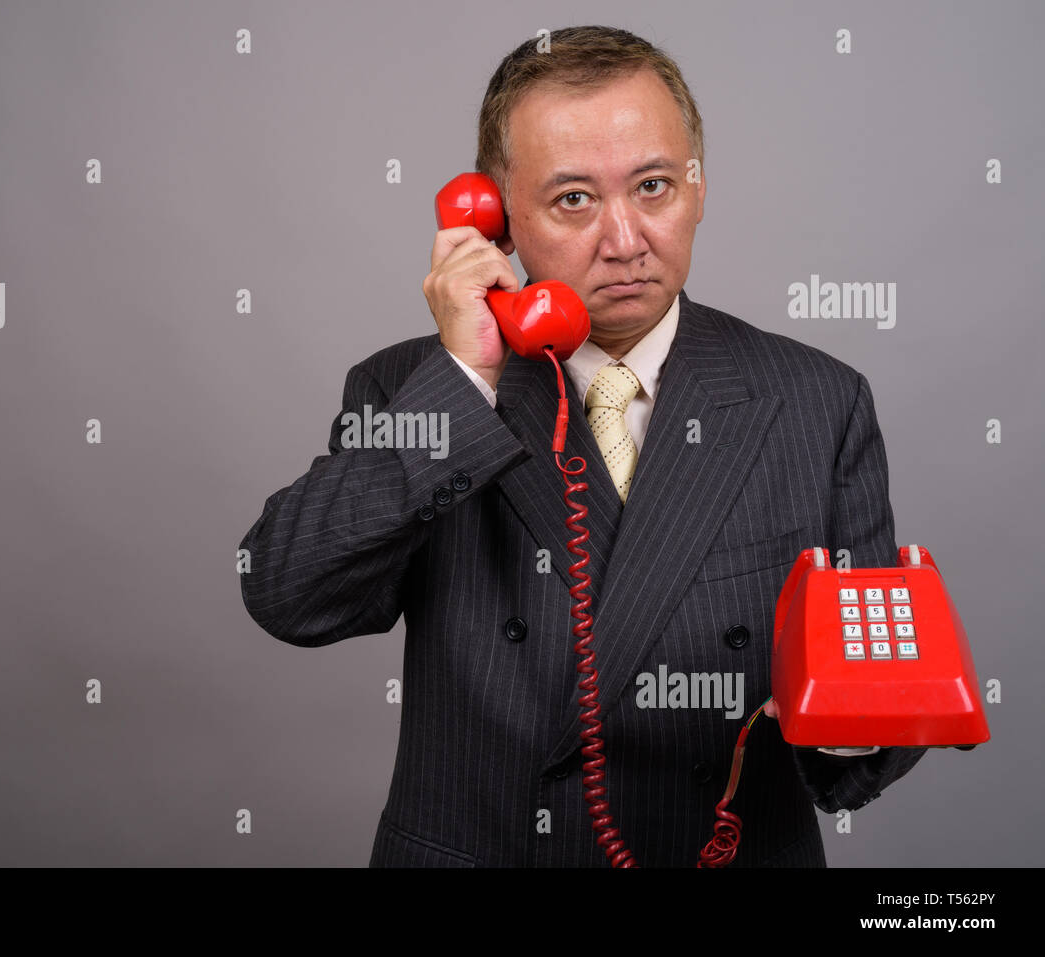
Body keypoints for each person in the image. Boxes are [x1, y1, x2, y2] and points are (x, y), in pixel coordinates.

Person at [238, 25, 926, 867]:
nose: (627, 239)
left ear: (699, 187)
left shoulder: (817, 399)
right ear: (493, 215)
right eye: (573, 199)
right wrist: (465, 380)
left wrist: (857, 726)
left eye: (654, 186)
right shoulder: (411, 389)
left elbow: (875, 710)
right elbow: (287, 595)